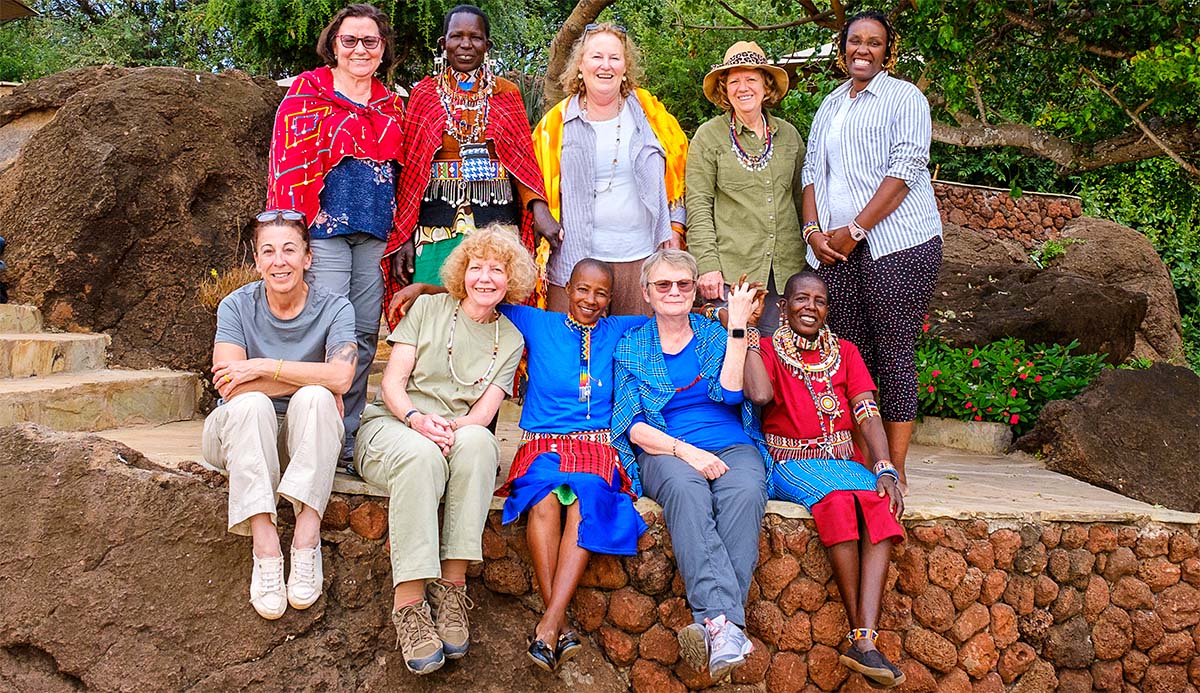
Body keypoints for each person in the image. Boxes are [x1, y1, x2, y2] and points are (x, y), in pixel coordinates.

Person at [355, 226, 531, 675]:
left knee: (481, 444)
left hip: (453, 432)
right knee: (421, 455)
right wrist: (418, 420)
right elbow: (392, 384)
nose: (485, 278)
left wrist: (446, 428)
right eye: (477, 267)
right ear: (461, 273)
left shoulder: (510, 338)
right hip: (395, 424)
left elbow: (483, 413)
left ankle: (451, 588)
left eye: (497, 270)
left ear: (511, 279)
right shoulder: (429, 308)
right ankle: (409, 603)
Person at [801, 9, 943, 488]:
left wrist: (856, 229)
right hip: (836, 249)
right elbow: (811, 173)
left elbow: (905, 170)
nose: (862, 49)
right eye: (855, 40)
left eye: (874, 42)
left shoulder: (905, 98)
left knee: (894, 353)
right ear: (843, 47)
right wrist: (813, 232)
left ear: (887, 51)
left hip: (898, 244)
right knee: (850, 356)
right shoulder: (830, 104)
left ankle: (895, 470)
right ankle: (864, 465)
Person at [744, 271, 906, 688]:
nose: (810, 307)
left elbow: (867, 412)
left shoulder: (845, 352)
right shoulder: (767, 348)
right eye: (801, 299)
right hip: (789, 461)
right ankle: (862, 641)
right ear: (784, 307)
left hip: (844, 461)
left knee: (881, 502)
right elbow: (758, 396)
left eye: (819, 301)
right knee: (838, 501)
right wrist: (749, 334)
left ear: (827, 309)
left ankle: (864, 640)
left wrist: (885, 466)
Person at [611, 249, 766, 681]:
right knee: (686, 489)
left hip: (731, 443)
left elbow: (731, 393)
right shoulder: (631, 345)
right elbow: (633, 426)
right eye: (663, 284)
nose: (674, 291)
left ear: (696, 289)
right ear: (646, 293)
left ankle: (718, 627)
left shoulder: (713, 334)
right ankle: (727, 625)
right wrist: (686, 452)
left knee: (745, 491)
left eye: (683, 284)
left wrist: (738, 325)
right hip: (664, 448)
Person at [491, 259, 649, 671]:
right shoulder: (538, 323)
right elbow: (485, 297)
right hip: (541, 442)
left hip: (595, 445)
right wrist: (423, 290)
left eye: (600, 293)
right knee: (543, 500)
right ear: (567, 289)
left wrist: (723, 314)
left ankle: (548, 625)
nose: (590, 300)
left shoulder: (620, 329)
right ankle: (557, 624)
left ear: (611, 299)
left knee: (585, 499)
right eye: (582, 289)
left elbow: (671, 314)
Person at [202, 210, 357, 620]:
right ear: (257, 261)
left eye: (289, 250)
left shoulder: (335, 308)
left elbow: (342, 377)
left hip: (304, 438)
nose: (279, 261)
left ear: (307, 257)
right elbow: (230, 388)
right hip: (237, 435)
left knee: (317, 400)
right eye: (268, 252)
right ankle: (265, 545)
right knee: (254, 404)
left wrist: (262, 368)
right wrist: (315, 377)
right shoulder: (236, 306)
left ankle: (306, 539)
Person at [267, 3, 405, 464]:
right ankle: (309, 434)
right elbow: (287, 165)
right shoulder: (306, 94)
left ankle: (346, 438)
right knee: (324, 328)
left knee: (363, 334)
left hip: (375, 232)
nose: (359, 49)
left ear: (382, 49)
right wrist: (289, 236)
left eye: (370, 41)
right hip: (323, 229)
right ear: (334, 45)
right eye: (350, 40)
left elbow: (404, 172)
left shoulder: (392, 104)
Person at [385, 4, 558, 316]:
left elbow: (523, 162)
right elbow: (411, 172)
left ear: (487, 45)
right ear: (443, 43)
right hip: (435, 225)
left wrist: (539, 209)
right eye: (457, 36)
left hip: (496, 222)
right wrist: (404, 237)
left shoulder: (506, 93)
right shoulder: (424, 93)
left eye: (475, 37)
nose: (466, 44)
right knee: (432, 310)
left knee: (494, 306)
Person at [533, 23, 690, 316]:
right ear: (580, 65)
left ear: (625, 67)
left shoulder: (651, 115)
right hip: (575, 262)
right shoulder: (554, 124)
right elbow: (533, 184)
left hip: (641, 259)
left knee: (638, 343)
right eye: (596, 57)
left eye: (614, 58)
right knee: (572, 345)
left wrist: (675, 227)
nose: (605, 65)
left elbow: (678, 174)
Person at [686, 41, 806, 332]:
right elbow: (698, 204)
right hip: (733, 274)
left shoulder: (789, 136)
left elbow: (802, 200)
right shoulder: (708, 137)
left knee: (779, 353)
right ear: (725, 90)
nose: (743, 88)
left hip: (787, 273)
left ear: (766, 86)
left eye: (751, 79)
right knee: (734, 351)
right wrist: (707, 264)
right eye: (734, 81)